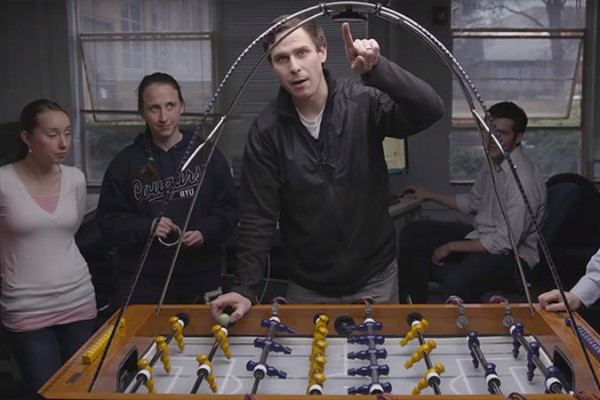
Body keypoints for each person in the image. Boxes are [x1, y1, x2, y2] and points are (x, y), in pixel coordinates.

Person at [210, 16, 444, 323]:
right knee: (312, 356)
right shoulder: (267, 131)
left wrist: (377, 70)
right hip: (308, 286)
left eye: (302, 52)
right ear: (272, 66)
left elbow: (430, 109)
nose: (294, 67)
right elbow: (257, 217)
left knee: (378, 353)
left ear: (322, 52)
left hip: (376, 277)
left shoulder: (362, 101)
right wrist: (244, 288)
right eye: (282, 58)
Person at [96, 72, 239, 306]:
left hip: (202, 279)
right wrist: (147, 227)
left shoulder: (207, 155)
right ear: (142, 112)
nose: (164, 117)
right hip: (144, 285)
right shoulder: (125, 164)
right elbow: (108, 222)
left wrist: (205, 231)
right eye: (154, 108)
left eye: (170, 106)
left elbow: (230, 210)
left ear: (181, 106)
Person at [397, 101, 547, 304]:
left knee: (456, 285)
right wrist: (428, 195)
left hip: (514, 258)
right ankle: (413, 310)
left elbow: (503, 243)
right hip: (483, 236)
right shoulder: (494, 163)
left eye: (501, 133)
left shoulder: (523, 179)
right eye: (488, 130)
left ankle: (457, 321)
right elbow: (472, 202)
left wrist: (451, 246)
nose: (491, 139)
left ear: (518, 138)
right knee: (414, 233)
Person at [0, 99, 97, 396]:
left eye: (67, 133)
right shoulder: (3, 182)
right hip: (26, 307)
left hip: (78, 299)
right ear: (27, 137)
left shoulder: (75, 179)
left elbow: (68, 232)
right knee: (44, 391)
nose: (63, 143)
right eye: (52, 134)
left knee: (81, 389)